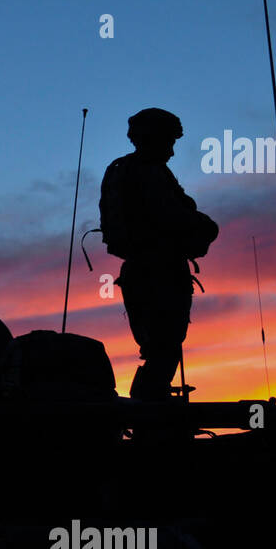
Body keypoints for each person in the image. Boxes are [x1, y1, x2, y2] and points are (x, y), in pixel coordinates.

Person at [100, 108, 216, 402]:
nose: (173, 151)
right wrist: (207, 227)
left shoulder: (125, 170)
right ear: (155, 138)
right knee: (164, 350)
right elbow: (170, 218)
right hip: (159, 272)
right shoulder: (147, 173)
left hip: (140, 272)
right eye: (170, 142)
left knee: (158, 349)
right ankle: (150, 417)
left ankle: (150, 413)